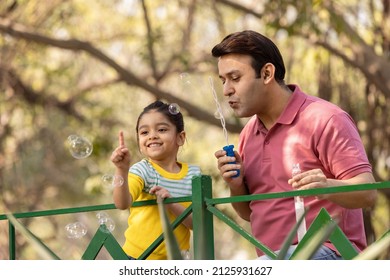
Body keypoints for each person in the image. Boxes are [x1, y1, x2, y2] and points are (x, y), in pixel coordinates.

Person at [211, 30, 377, 260]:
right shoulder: (249, 133)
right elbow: (249, 213)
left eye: (235, 78)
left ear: (267, 73)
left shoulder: (325, 118)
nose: (226, 90)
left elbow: (368, 193)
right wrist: (236, 185)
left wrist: (326, 186)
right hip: (272, 261)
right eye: (223, 80)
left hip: (332, 253)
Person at [110, 100, 201, 260]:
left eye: (161, 129)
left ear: (180, 137)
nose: (152, 135)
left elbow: (198, 223)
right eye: (144, 132)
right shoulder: (142, 170)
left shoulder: (194, 175)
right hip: (136, 259)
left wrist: (171, 203)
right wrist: (122, 170)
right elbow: (122, 203)